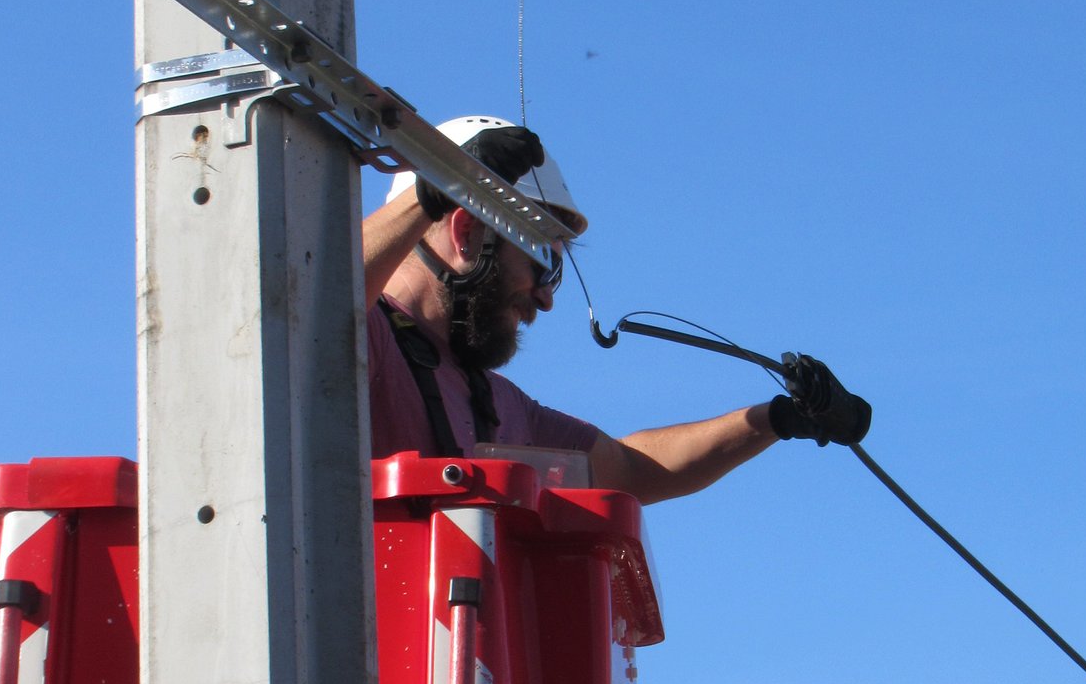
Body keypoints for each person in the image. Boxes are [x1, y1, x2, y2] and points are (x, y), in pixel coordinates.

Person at [362, 116, 869, 502]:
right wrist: (438, 188)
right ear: (467, 231)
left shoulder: (498, 405)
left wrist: (779, 419)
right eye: (543, 262)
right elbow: (304, 290)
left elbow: (629, 469)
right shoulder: (361, 334)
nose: (547, 297)